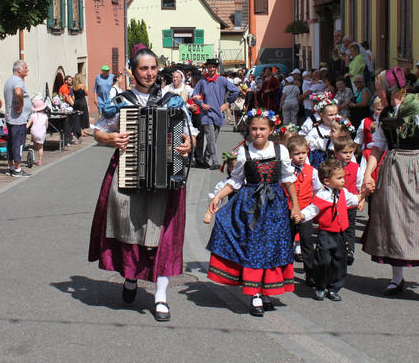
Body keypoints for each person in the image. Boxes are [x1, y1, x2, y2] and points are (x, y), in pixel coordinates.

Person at [89, 46, 196, 322]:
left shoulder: (173, 101)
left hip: (166, 176)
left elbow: (189, 134)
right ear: (134, 72)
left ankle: (160, 295)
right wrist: (111, 139)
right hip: (128, 171)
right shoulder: (122, 101)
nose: (149, 73)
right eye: (143, 69)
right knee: (128, 226)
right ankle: (130, 276)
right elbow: (98, 130)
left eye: (152, 68)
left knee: (162, 234)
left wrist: (186, 144)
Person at [361, 67, 419, 309]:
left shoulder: (418, 107)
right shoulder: (385, 113)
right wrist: (367, 174)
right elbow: (378, 145)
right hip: (393, 167)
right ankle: (397, 277)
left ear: (391, 88)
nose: (377, 90)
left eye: (380, 86)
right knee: (392, 219)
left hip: (417, 167)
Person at [205, 109, 301, 316]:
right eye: (254, 129)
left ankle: (266, 290)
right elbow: (237, 180)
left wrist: (296, 206)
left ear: (271, 130)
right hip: (250, 206)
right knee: (253, 247)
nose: (258, 133)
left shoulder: (281, 150)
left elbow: (288, 180)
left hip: (275, 205)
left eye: (262, 129)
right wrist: (218, 196)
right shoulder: (244, 152)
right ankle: (255, 293)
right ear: (249, 130)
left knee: (272, 246)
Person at [299, 159, 356, 301]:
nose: (343, 180)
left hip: (340, 234)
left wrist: (362, 196)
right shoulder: (322, 195)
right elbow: (312, 209)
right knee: (322, 261)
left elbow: (353, 200)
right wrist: (301, 215)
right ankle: (320, 286)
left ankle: (334, 288)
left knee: (339, 262)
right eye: (339, 178)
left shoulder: (344, 193)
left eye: (343, 177)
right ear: (327, 181)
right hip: (326, 234)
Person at [284, 136, 322, 288]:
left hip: (305, 212)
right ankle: (284, 272)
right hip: (288, 210)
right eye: (296, 154)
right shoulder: (286, 170)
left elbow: (318, 190)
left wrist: (311, 208)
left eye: (304, 153)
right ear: (290, 155)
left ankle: (310, 273)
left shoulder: (312, 171)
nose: (301, 157)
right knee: (286, 242)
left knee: (307, 243)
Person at [192, 58, 240, 169]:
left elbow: (236, 91)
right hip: (207, 114)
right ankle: (216, 161)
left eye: (213, 67)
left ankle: (204, 160)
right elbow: (194, 95)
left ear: (216, 68)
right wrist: (201, 104)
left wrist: (227, 103)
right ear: (206, 68)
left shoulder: (222, 80)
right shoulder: (202, 81)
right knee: (211, 139)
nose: (212, 69)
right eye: (209, 67)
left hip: (219, 114)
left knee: (213, 140)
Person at [333, 135, 361, 266]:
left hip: (350, 204)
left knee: (350, 227)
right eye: (344, 152)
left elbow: (360, 185)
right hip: (336, 203)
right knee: (336, 227)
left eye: (351, 152)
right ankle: (336, 249)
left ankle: (349, 251)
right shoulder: (332, 166)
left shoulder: (356, 167)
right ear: (336, 153)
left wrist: (361, 200)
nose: (348, 155)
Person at [3, 60, 32, 177]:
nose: (27, 69)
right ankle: (17, 169)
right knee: (18, 143)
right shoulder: (17, 81)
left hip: (12, 119)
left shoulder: (10, 80)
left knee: (10, 143)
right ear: (19, 70)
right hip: (18, 120)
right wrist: (20, 104)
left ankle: (10, 166)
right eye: (25, 67)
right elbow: (18, 92)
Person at [299, 92, 338, 168]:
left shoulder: (340, 124)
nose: (334, 117)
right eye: (331, 115)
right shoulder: (314, 125)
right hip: (321, 160)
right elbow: (303, 138)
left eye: (335, 114)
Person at [27, 98, 48, 166]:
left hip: (34, 131)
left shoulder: (32, 115)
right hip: (41, 132)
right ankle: (39, 161)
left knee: (34, 139)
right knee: (40, 147)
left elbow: (28, 124)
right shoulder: (45, 116)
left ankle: (34, 146)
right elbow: (46, 125)